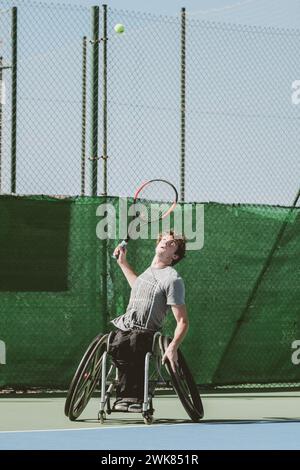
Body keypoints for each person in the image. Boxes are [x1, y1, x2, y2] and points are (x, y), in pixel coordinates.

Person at [110, 230, 188, 412]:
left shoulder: (172, 279)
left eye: (171, 244)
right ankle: (122, 396)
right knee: (114, 342)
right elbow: (138, 286)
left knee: (133, 343)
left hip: (146, 333)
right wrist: (122, 262)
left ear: (174, 255)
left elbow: (183, 321)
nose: (165, 243)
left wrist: (173, 347)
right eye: (164, 240)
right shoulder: (147, 273)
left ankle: (133, 397)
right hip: (126, 327)